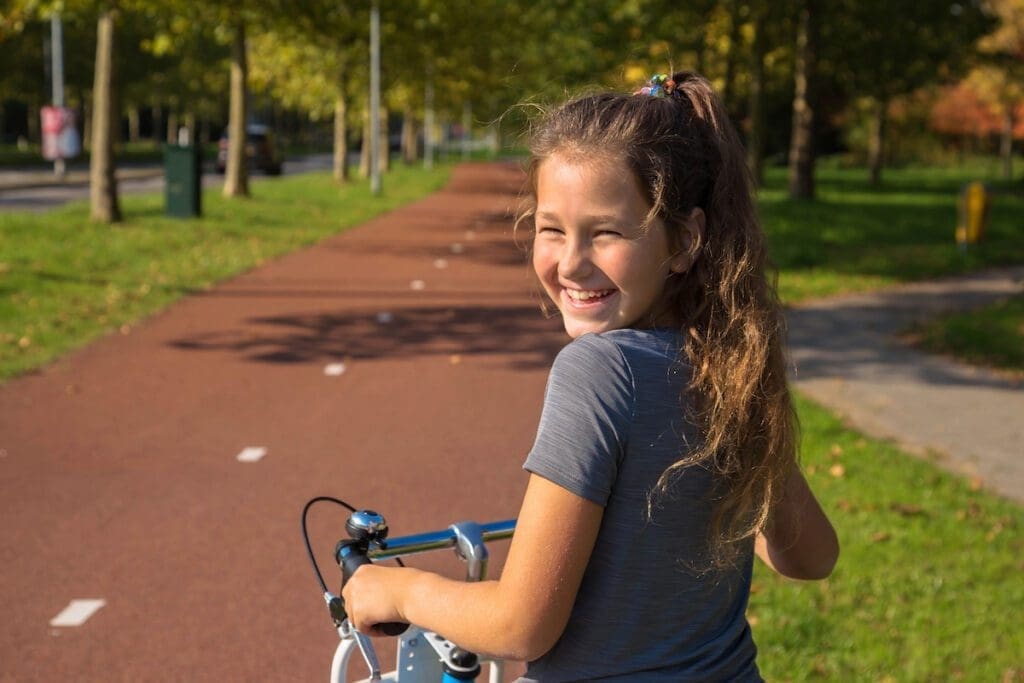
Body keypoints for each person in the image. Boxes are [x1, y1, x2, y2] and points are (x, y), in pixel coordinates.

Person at [342, 71, 839, 681]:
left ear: (684, 240)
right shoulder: (727, 362)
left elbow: (521, 624)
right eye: (551, 229)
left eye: (605, 232)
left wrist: (401, 592)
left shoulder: (600, 369)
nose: (571, 263)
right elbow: (811, 556)